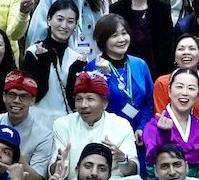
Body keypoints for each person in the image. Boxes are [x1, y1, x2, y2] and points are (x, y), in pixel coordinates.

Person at [65, 14, 155, 143]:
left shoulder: (139, 64)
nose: (121, 39)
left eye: (124, 33)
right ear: (103, 40)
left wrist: (142, 128)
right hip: (108, 137)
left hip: (138, 136)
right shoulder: (92, 69)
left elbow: (149, 101)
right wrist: (106, 76)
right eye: (114, 35)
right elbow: (96, 106)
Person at [52, 71, 138, 180]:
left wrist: (122, 159)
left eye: (90, 99)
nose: (83, 105)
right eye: (79, 99)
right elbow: (54, 171)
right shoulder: (62, 124)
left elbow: (132, 171)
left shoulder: (121, 125)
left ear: (104, 103)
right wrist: (58, 164)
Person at [0, 71, 53, 180]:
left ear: (32, 100)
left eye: (23, 96)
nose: (16, 100)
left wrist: (15, 155)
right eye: (12, 94)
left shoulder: (44, 135)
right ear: (4, 97)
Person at [109, 0, 178, 77]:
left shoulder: (163, 9)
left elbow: (167, 47)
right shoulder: (116, 10)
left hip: (157, 75)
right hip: (124, 73)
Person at [143, 68, 199, 180]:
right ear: (169, 91)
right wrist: (163, 135)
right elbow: (151, 165)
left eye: (191, 88)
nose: (184, 93)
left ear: (197, 95)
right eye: (179, 87)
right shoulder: (153, 126)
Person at [21, 0, 84, 126]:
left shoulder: (76, 58)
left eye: (70, 21)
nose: (64, 26)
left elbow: (74, 101)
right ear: (49, 20)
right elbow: (34, 95)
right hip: (36, 123)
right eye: (59, 19)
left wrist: (74, 72)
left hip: (68, 125)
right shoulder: (33, 52)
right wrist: (44, 62)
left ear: (76, 25)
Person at [152, 34, 199, 127]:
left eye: (192, 49)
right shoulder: (162, 82)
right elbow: (161, 117)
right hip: (171, 137)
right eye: (181, 49)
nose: (186, 52)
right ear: (175, 56)